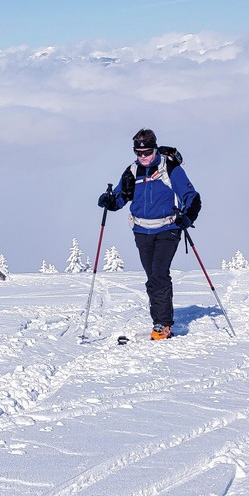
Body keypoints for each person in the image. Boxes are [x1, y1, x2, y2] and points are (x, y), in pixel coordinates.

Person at [97, 128, 201, 340]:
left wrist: (187, 217)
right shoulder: (132, 171)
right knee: (152, 277)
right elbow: (120, 197)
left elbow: (191, 196)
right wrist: (109, 201)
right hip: (141, 231)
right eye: (139, 153)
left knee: (159, 274)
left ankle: (162, 325)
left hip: (167, 228)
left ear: (155, 149)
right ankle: (160, 320)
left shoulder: (169, 169)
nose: (143, 157)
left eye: (147, 152)